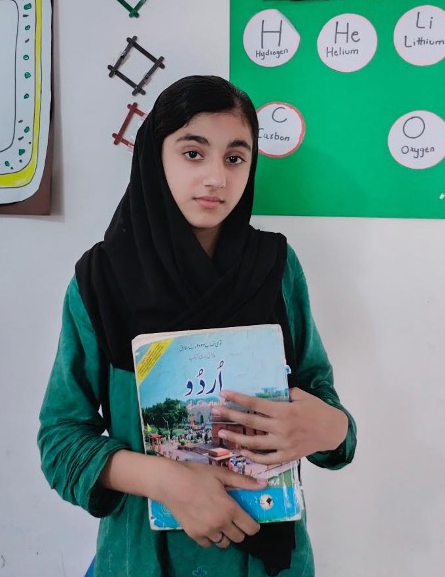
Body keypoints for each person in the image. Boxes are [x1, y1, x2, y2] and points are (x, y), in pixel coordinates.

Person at [38, 76, 357, 577]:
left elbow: (324, 407)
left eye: (235, 158)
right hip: (143, 560)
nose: (216, 178)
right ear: (153, 157)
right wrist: (169, 483)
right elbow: (61, 441)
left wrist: (331, 427)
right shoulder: (102, 280)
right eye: (193, 154)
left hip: (269, 560)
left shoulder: (274, 268)